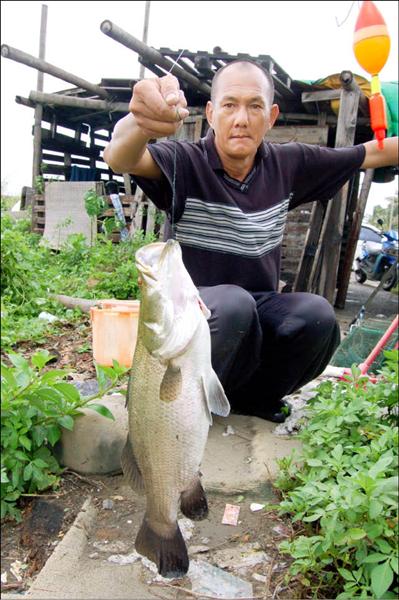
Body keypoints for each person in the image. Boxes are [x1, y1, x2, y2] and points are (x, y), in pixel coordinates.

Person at [104, 60, 398, 422]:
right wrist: (140, 122)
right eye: (229, 105)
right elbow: (120, 156)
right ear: (211, 113)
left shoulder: (289, 164)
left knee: (317, 317)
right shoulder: (185, 162)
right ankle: (184, 412)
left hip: (257, 308)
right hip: (190, 317)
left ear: (271, 116)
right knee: (232, 304)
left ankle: (254, 399)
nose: (241, 118)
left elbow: (373, 153)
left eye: (254, 106)